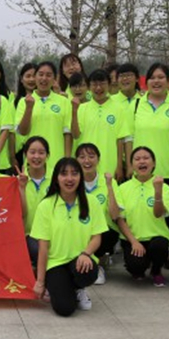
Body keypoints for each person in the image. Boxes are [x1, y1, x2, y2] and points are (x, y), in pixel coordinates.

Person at [30, 157, 107, 316]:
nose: (69, 178)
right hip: (55, 264)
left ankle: (79, 288)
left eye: (74, 173)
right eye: (64, 174)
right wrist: (40, 282)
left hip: (80, 260)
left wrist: (86, 253)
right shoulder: (45, 206)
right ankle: (60, 287)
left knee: (88, 272)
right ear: (56, 178)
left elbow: (96, 237)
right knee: (64, 309)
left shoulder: (91, 202)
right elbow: (43, 248)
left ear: (80, 177)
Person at [131, 63, 169, 263]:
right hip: (141, 172)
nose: (156, 81)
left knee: (167, 216)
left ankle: (167, 251)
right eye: (152, 77)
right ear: (146, 81)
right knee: (144, 213)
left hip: (168, 169)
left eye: (161, 77)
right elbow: (128, 137)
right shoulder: (136, 104)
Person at [114, 147, 169, 287]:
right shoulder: (122, 188)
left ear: (154, 163)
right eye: (137, 159)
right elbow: (120, 219)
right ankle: (141, 265)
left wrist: (157, 192)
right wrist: (134, 242)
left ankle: (156, 270)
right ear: (132, 164)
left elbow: (158, 214)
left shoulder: (164, 187)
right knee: (136, 268)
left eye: (146, 158)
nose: (142, 162)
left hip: (156, 237)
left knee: (159, 245)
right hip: (133, 238)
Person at [73, 69, 131, 181]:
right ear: (89, 87)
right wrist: (74, 112)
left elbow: (120, 140)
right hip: (86, 165)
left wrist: (119, 166)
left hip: (110, 164)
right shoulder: (82, 108)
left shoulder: (119, 109)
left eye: (102, 83)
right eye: (94, 84)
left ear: (109, 85)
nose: (98, 88)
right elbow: (75, 135)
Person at [75, 143, 121, 285]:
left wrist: (109, 187)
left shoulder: (109, 181)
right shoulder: (72, 181)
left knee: (106, 234)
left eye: (91, 156)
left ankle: (99, 263)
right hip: (78, 229)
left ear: (98, 159)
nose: (87, 161)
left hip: (102, 231)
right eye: (82, 157)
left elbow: (115, 215)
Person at [16, 61, 72, 169]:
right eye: (40, 74)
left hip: (57, 162)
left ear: (54, 79)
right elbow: (23, 131)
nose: (44, 78)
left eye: (48, 75)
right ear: (35, 77)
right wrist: (29, 108)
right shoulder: (24, 102)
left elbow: (67, 134)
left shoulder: (64, 102)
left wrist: (67, 161)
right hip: (33, 162)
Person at [16, 136, 51, 267]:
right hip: (28, 235)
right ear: (25, 155)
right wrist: (21, 188)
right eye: (32, 152)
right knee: (37, 250)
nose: (36, 156)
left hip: (52, 233)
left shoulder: (57, 178)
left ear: (47, 155)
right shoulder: (17, 181)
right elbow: (20, 213)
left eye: (41, 152)